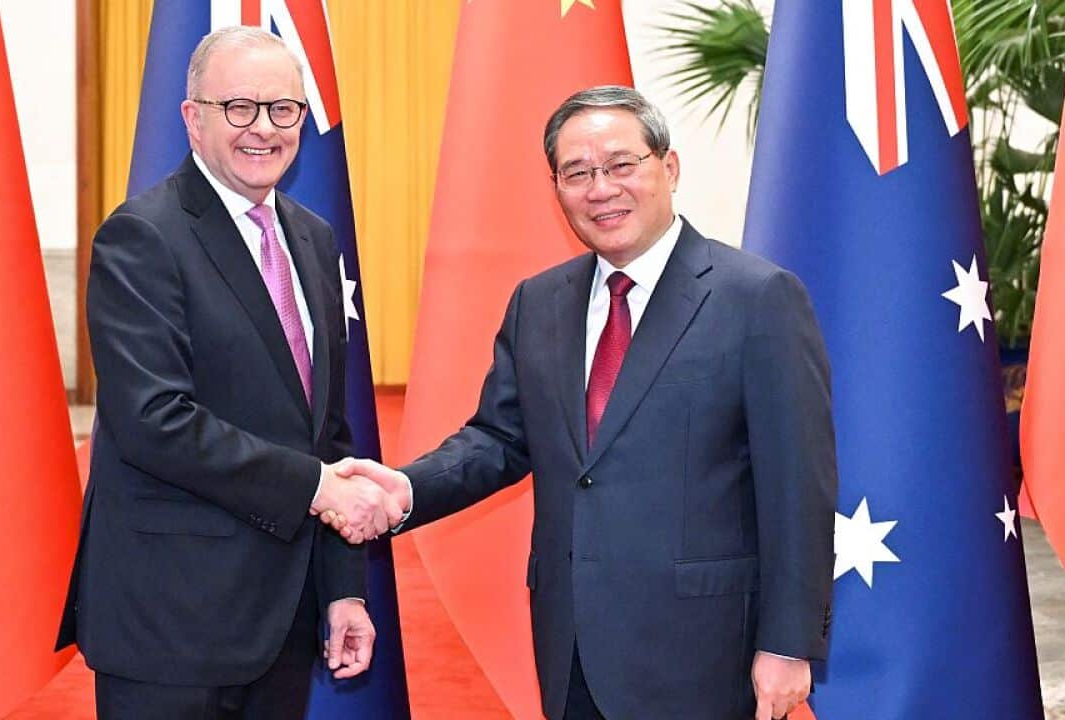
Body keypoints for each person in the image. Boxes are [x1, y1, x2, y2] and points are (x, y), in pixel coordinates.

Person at [333, 86, 837, 720]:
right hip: (572, 649)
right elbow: (500, 438)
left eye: (622, 165)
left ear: (669, 167)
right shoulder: (539, 303)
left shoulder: (757, 297)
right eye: (577, 172)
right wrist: (403, 491)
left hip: (707, 654)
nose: (601, 189)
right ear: (558, 188)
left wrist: (788, 645)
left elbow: (799, 486)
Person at [55, 26, 402, 720]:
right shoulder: (142, 237)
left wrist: (342, 589)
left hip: (282, 619)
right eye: (239, 107)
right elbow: (156, 422)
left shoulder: (312, 237)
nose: (263, 130)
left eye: (283, 109)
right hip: (170, 623)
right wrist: (318, 490)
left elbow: (326, 431)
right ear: (193, 118)